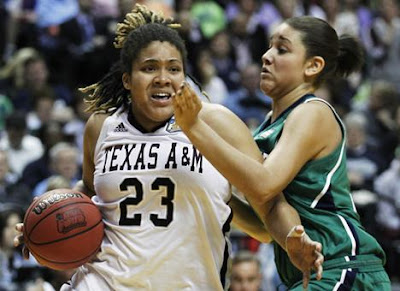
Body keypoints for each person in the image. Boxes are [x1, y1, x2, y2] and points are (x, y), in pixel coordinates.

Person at [14, 4, 323, 290]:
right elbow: (91, 190)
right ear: (127, 79)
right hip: (103, 282)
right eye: (149, 68)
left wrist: (291, 238)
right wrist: (46, 223)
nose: (163, 78)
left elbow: (267, 205)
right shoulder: (102, 126)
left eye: (173, 69)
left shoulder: (217, 122)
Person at [173, 16, 391, 290]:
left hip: (342, 265)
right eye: (269, 47)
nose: (266, 56)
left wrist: (193, 127)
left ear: (313, 66)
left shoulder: (313, 112)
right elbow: (264, 229)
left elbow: (264, 185)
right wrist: (220, 195)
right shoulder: (269, 126)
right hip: (308, 274)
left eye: (282, 49)